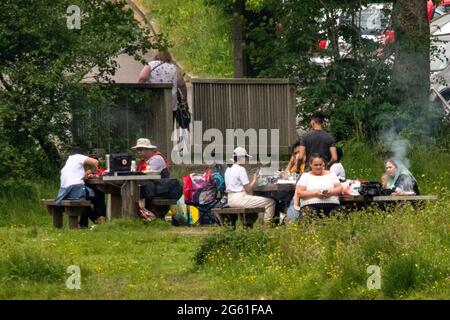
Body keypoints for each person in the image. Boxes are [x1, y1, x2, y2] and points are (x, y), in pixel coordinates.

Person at [55, 146, 106, 227]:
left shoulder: (66, 163)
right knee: (99, 193)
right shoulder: (77, 157)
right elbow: (95, 162)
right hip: (75, 190)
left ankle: (84, 223)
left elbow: (74, 177)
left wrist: (85, 174)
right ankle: (100, 220)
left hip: (64, 193)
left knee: (87, 195)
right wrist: (92, 171)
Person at [225, 147, 276, 226]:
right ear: (241, 157)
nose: (246, 160)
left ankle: (261, 224)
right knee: (270, 202)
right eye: (245, 157)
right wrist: (254, 180)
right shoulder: (240, 169)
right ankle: (266, 226)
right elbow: (248, 189)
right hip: (239, 199)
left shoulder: (228, 169)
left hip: (230, 199)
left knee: (260, 201)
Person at [138, 51, 178, 118]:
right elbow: (181, 84)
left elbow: (142, 78)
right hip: (170, 102)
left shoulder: (151, 64)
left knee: (151, 121)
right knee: (169, 122)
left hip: (153, 99)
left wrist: (139, 90)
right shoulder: (173, 67)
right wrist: (184, 98)